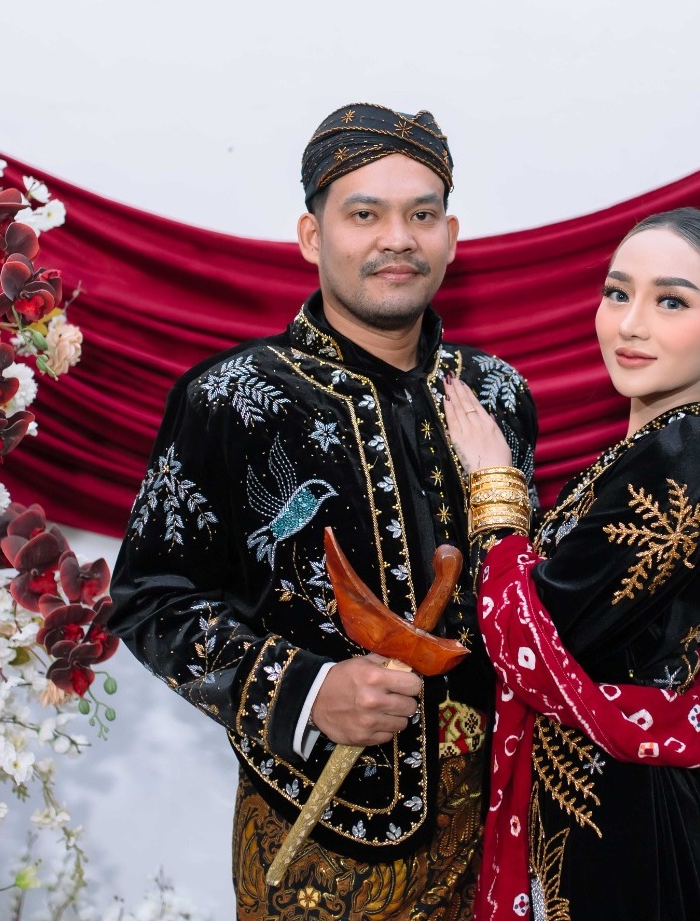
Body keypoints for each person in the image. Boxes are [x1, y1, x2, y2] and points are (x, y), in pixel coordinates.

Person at [108, 103, 539, 921]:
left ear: (451, 236)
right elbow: (149, 600)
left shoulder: (497, 393)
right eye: (364, 215)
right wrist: (307, 689)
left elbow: (538, 597)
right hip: (319, 839)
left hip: (496, 826)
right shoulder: (230, 399)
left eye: (421, 215)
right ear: (312, 236)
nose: (397, 239)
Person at [443, 207, 700, 920]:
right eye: (618, 293)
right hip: (617, 789)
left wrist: (494, 487)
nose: (630, 324)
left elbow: (545, 636)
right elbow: (665, 629)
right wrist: (694, 729)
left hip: (626, 821)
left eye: (671, 301)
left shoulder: (682, 452)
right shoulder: (661, 447)